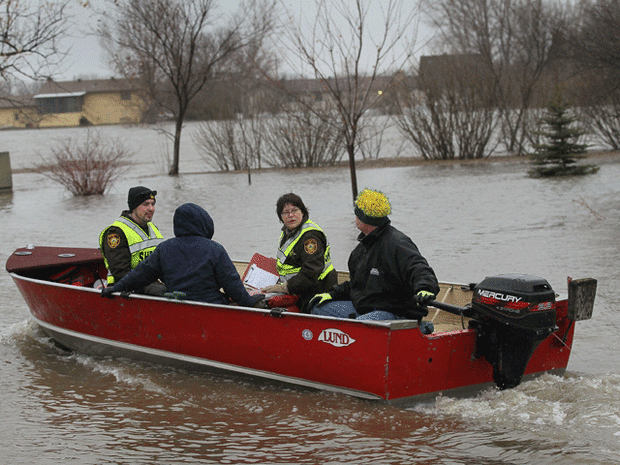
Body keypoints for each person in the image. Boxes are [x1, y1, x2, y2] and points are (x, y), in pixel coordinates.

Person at [309, 188, 440, 323]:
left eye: (357, 215)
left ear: (364, 220)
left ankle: (419, 328)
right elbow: (356, 285)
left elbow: (419, 268)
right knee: (319, 307)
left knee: (361, 324)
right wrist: (331, 294)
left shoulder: (397, 243)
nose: (355, 219)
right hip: (364, 308)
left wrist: (425, 288)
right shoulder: (360, 250)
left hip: (395, 312)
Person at [102, 202, 265, 308]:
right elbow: (233, 286)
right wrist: (252, 302)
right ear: (204, 224)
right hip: (211, 308)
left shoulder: (165, 248)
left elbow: (139, 275)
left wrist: (115, 288)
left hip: (177, 308)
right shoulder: (215, 249)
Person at [260, 193, 338, 313]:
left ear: (303, 212)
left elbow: (311, 272)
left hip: (317, 290)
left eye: (294, 210)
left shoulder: (310, 236)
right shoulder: (288, 232)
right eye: (286, 212)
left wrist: (285, 287)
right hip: (298, 287)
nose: (291, 215)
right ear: (281, 217)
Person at [99, 186, 166, 295]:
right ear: (134, 207)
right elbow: (120, 272)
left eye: (153, 204)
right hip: (124, 288)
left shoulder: (153, 228)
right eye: (145, 204)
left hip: (152, 283)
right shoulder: (116, 232)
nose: (151, 208)